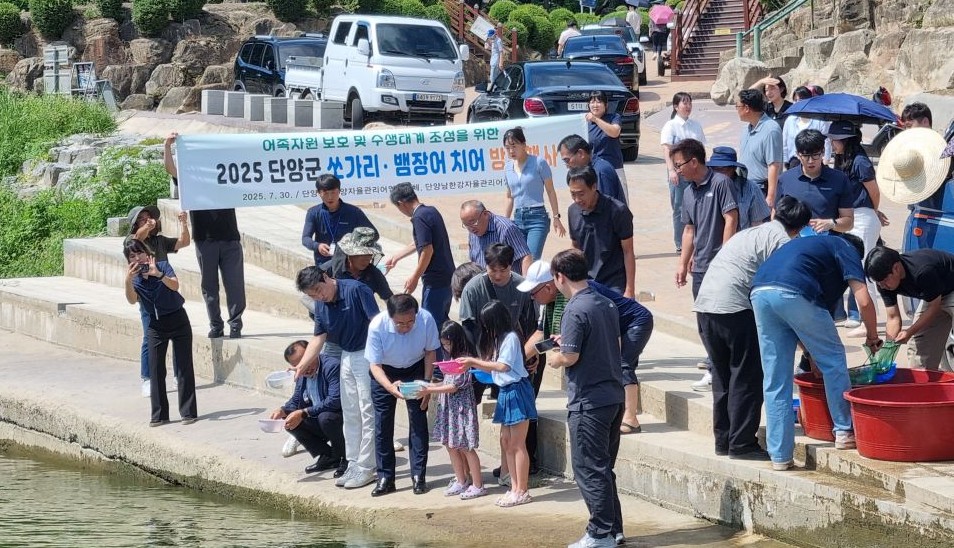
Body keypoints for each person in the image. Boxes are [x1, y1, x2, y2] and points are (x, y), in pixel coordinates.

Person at [751, 232, 882, 471]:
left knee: (775, 378)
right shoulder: (847, 248)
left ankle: (779, 455)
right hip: (793, 291)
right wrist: (872, 336)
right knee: (834, 362)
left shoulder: (810, 248)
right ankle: (844, 431)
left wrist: (811, 355)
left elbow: (804, 324)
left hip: (760, 292)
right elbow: (863, 300)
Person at [693, 196, 811, 459]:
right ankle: (742, 444)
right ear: (800, 228)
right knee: (747, 376)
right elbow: (782, 295)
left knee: (723, 377)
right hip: (734, 308)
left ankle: (724, 441)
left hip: (705, 307)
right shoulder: (781, 242)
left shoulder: (752, 233)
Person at [546, 249, 626, 548]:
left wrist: (555, 357)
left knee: (588, 469)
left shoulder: (574, 308)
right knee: (603, 468)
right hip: (613, 397)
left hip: (588, 402)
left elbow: (570, 355)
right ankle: (613, 530)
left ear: (559, 277)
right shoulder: (605, 303)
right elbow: (611, 342)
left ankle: (600, 534)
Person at [519, 259, 653, 436]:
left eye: (533, 293)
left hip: (634, 323)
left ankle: (630, 418)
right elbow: (541, 335)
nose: (532, 298)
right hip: (611, 326)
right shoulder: (551, 304)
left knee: (622, 363)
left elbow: (576, 341)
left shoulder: (582, 295)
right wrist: (517, 361)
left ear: (549, 287)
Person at [294, 266, 379, 490]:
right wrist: (301, 366)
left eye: (319, 290)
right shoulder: (321, 305)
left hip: (366, 353)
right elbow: (318, 338)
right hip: (346, 355)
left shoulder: (357, 290)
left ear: (326, 277)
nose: (319, 296)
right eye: (313, 295)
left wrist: (377, 361)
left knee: (366, 409)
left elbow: (377, 325)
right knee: (351, 411)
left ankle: (368, 465)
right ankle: (353, 462)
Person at [671, 138, 739, 391]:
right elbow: (689, 229)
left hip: (721, 267)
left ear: (694, 161)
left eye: (679, 165)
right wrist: (683, 263)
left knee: (723, 321)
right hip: (700, 268)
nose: (677, 170)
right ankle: (714, 367)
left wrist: (725, 258)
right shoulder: (688, 192)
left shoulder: (721, 184)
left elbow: (730, 219)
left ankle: (723, 368)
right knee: (704, 323)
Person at [164, 134, 246, 340]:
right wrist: (167, 146)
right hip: (205, 239)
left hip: (230, 239)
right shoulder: (191, 179)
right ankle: (216, 325)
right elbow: (171, 169)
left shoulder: (226, 177)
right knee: (209, 286)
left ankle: (235, 324)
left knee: (235, 284)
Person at [458, 300, 537, 508]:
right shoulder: (499, 339)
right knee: (506, 443)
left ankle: (522, 490)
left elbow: (502, 366)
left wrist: (473, 362)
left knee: (518, 444)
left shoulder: (510, 338)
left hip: (517, 391)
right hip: (505, 391)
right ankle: (514, 486)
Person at [365, 294, 439, 496]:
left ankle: (418, 476)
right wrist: (390, 388)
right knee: (383, 424)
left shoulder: (426, 319)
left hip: (416, 368)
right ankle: (386, 478)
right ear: (390, 317)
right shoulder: (377, 326)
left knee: (418, 420)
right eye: (400, 324)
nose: (405, 327)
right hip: (385, 372)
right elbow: (374, 365)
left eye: (410, 322)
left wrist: (426, 383)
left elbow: (431, 351)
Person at [122, 239, 197, 427]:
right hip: (155, 326)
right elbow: (132, 300)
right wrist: (127, 281)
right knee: (156, 370)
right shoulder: (135, 279)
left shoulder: (162, 265)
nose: (137, 258)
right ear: (128, 260)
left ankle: (188, 412)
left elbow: (175, 285)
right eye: (132, 256)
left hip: (178, 319)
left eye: (140, 253)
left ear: (147, 253)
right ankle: (159, 415)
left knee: (183, 367)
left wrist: (159, 274)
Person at [124, 205, 190, 397]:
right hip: (146, 293)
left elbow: (183, 242)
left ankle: (179, 376)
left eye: (149, 218)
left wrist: (183, 223)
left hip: (164, 288)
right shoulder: (132, 242)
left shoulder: (159, 241)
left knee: (178, 337)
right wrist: (147, 226)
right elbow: (136, 239)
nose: (148, 221)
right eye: (142, 219)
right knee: (149, 337)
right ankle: (147, 378)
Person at [458, 244, 538, 402]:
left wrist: (531, 356)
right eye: (493, 270)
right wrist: (479, 360)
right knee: (472, 397)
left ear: (511, 266)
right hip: (480, 347)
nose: (498, 275)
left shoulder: (521, 286)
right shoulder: (472, 289)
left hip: (508, 347)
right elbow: (467, 329)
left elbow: (528, 323)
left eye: (503, 270)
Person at [827, 120, 884, 334]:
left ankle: (866, 318)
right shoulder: (842, 159)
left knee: (864, 266)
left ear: (846, 140)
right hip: (848, 216)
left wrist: (874, 211)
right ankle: (858, 315)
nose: (832, 144)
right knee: (850, 264)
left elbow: (874, 192)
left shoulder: (860, 162)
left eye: (835, 140)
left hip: (862, 216)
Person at [419, 320, 487, 500]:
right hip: (449, 410)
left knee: (466, 447)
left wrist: (429, 390)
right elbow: (447, 383)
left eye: (448, 344)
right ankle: (461, 479)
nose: (446, 347)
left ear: (457, 340)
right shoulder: (450, 359)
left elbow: (454, 386)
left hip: (462, 411)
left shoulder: (464, 359)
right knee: (451, 445)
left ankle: (478, 484)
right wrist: (430, 385)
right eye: (443, 344)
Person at [865, 246, 954, 371]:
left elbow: (934, 307)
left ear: (896, 268)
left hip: (947, 290)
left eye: (884, 280)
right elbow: (893, 318)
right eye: (878, 283)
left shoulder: (922, 270)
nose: (882, 286)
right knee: (919, 346)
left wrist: (909, 332)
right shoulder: (883, 284)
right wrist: (889, 349)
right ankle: (923, 385)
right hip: (935, 295)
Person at [385, 183, 455, 326]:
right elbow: (420, 242)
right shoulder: (431, 211)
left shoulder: (419, 218)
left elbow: (427, 250)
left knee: (431, 324)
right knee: (441, 321)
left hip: (435, 281)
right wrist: (397, 256)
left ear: (401, 203)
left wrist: (414, 278)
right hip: (447, 277)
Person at [272, 341, 345, 476]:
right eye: (298, 365)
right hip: (318, 420)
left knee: (326, 417)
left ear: (313, 353)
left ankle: (346, 458)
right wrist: (283, 410)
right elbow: (296, 400)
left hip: (339, 419)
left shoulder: (331, 366)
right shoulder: (301, 373)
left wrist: (305, 412)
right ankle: (329, 456)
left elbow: (335, 400)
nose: (304, 367)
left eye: (305, 361)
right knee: (289, 421)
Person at [567, 165, 636, 298]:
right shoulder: (573, 211)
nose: (577, 199)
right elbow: (575, 246)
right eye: (573, 194)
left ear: (594, 187)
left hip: (614, 283)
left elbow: (628, 251)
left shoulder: (618, 211)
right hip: (586, 282)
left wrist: (630, 290)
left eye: (581, 194)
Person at [776, 129, 855, 238]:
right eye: (805, 156)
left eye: (815, 155)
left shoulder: (839, 179)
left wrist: (831, 224)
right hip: (793, 245)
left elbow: (849, 222)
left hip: (826, 245)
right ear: (798, 155)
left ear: (823, 152)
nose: (810, 161)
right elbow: (775, 218)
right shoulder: (785, 179)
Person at [502, 127, 566, 259]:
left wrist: (556, 217)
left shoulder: (538, 162)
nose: (511, 151)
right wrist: (505, 222)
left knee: (531, 260)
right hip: (518, 218)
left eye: (514, 146)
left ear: (524, 145)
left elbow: (550, 191)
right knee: (519, 261)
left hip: (537, 217)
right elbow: (510, 197)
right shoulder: (507, 167)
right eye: (507, 147)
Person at [661, 92, 707, 251]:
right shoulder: (670, 126)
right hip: (679, 175)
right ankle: (680, 243)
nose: (687, 106)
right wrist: (671, 171)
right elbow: (667, 150)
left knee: (699, 204)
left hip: (695, 173)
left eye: (689, 103)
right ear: (676, 106)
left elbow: (701, 150)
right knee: (679, 207)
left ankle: (697, 239)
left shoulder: (695, 125)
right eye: (684, 103)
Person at [301, 173, 375, 267]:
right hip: (324, 264)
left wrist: (353, 247)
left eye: (333, 192)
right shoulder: (313, 213)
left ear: (339, 191)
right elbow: (305, 238)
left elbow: (373, 233)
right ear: (319, 193)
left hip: (349, 264)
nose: (330, 197)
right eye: (325, 193)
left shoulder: (354, 212)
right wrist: (317, 246)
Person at [737, 89, 784, 206]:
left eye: (737, 106)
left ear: (746, 108)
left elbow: (774, 165)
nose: (736, 109)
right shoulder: (747, 129)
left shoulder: (770, 130)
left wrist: (770, 197)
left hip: (760, 189)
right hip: (744, 186)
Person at [460, 200, 532, 275]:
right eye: (466, 225)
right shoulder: (473, 232)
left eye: (474, 222)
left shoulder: (506, 229)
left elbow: (525, 256)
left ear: (485, 214)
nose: (471, 228)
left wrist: (526, 283)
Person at [707, 146, 771, 230]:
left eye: (722, 169)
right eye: (714, 169)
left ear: (733, 169)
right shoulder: (703, 189)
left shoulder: (751, 189)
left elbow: (759, 225)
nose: (718, 174)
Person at [327, 227, 392, 301]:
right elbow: (313, 294)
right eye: (363, 254)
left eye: (370, 254)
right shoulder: (329, 269)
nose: (367, 259)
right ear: (350, 254)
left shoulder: (374, 274)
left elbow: (389, 300)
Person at [559, 134, 626, 204]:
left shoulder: (600, 171)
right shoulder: (588, 170)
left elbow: (605, 209)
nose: (567, 166)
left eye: (567, 160)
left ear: (580, 153)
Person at [586, 91, 628, 197]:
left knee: (618, 202)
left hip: (614, 167)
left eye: (599, 102)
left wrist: (596, 119)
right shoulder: (584, 123)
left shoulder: (614, 117)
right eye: (592, 102)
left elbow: (614, 132)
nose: (595, 105)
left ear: (606, 105)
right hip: (593, 170)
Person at [782, 86, 830, 169]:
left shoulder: (820, 120)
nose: (797, 103)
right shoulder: (790, 120)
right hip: (794, 162)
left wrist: (826, 159)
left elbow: (827, 141)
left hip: (815, 160)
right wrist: (785, 161)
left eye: (800, 100)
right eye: (795, 100)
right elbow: (784, 143)